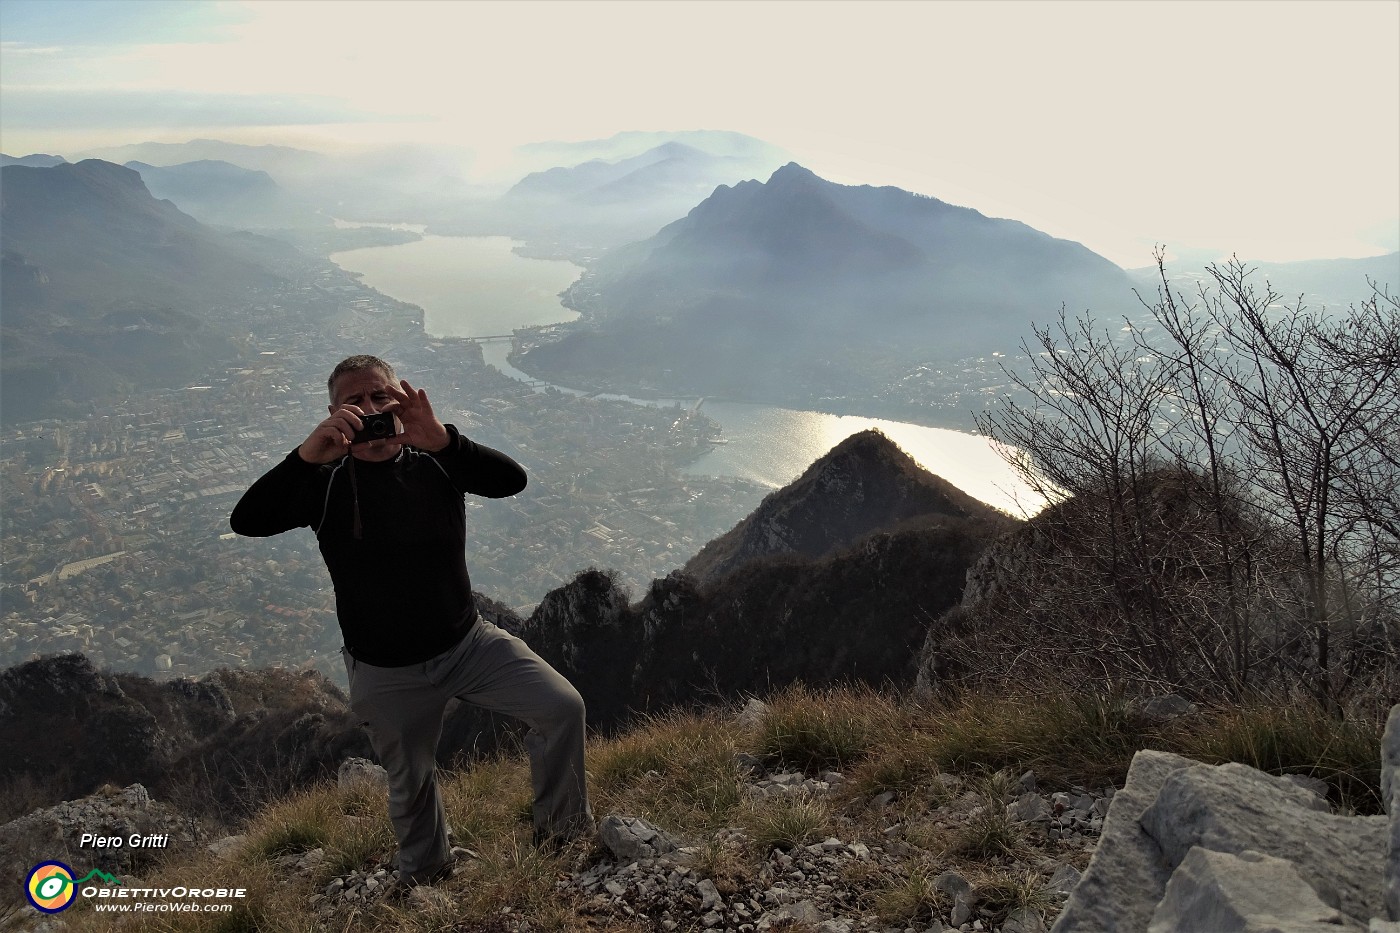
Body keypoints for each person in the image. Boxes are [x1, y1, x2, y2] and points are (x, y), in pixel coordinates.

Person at [230, 355, 593, 886]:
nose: (370, 410)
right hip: (385, 670)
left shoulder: (438, 461)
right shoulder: (324, 483)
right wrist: (307, 457)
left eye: (381, 397)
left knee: (562, 707)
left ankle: (561, 839)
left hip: (469, 645)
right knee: (411, 781)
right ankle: (426, 877)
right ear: (333, 413)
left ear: (401, 400)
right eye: (354, 402)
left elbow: (510, 480)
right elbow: (247, 520)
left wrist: (444, 439)